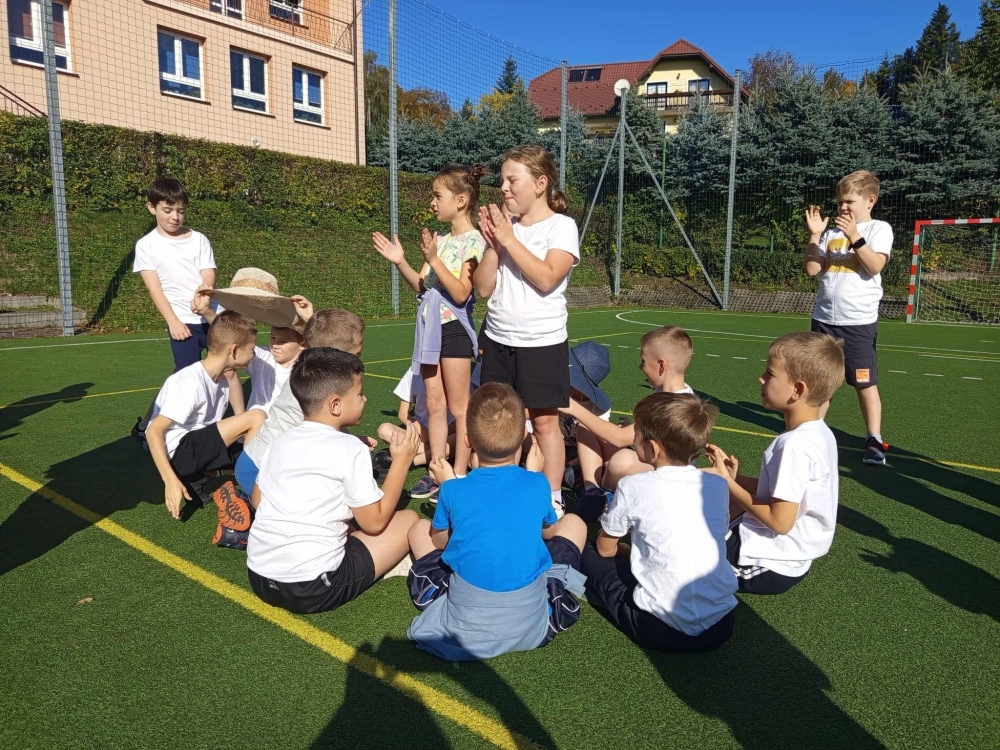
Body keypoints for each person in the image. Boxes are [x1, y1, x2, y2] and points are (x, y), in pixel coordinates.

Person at [405, 383, 588, 661]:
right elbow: (550, 532)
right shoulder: (537, 483)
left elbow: (440, 541)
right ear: (522, 439)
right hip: (531, 622)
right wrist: (532, 476)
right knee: (575, 523)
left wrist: (448, 485)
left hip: (466, 617)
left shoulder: (454, 490)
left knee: (420, 528)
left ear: (467, 440)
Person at [247, 348, 420, 614]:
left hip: (259, 578)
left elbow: (258, 500)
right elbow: (374, 523)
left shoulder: (280, 441)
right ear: (335, 405)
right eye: (360, 393)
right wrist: (402, 461)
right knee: (408, 520)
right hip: (314, 587)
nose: (365, 398)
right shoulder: (350, 448)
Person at [581, 392, 738, 652]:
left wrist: (627, 552)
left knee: (586, 549)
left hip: (656, 628)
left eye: (636, 434)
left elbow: (605, 549)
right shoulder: (718, 484)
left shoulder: (633, 485)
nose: (632, 439)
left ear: (653, 449)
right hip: (721, 626)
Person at [474, 145, 580, 515]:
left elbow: (547, 278)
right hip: (497, 340)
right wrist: (494, 246)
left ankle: (551, 496)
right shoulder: (507, 231)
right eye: (502, 180)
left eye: (512, 180)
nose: (503, 187)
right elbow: (483, 288)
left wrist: (508, 240)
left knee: (545, 424)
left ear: (540, 184)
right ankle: (498, 490)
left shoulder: (561, 226)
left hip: (541, 343)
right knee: (496, 421)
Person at [373, 164, 487, 500]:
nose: (432, 202)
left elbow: (462, 293)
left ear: (461, 200)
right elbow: (423, 287)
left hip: (454, 330)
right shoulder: (441, 240)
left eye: (438, 196)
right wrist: (400, 261)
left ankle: (459, 473)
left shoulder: (474, 241)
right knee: (435, 403)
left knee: (459, 407)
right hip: (429, 328)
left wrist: (435, 260)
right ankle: (437, 469)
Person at [705, 332, 844, 595]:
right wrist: (735, 479)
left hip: (769, 565)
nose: (761, 378)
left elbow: (780, 522)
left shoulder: (794, 445)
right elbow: (786, 494)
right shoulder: (819, 432)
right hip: (789, 555)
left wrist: (727, 483)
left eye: (769, 374)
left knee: (679, 551)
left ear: (798, 390)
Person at [131, 178, 243, 445]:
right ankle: (149, 426)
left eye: (180, 211)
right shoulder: (146, 245)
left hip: (211, 317)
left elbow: (208, 272)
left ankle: (243, 424)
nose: (175, 217)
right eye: (167, 210)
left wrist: (204, 291)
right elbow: (155, 288)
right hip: (182, 323)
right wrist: (173, 321)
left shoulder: (199, 239)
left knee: (229, 369)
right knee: (184, 378)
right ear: (151, 207)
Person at [804, 169, 893, 465]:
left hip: (857, 324)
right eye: (840, 202)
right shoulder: (830, 234)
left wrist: (854, 235)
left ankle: (874, 440)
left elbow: (874, 266)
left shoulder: (879, 229)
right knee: (821, 381)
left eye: (849, 202)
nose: (843, 207)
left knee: (864, 382)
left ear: (870, 200)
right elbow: (812, 269)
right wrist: (815, 235)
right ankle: (811, 435)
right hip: (823, 321)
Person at [560, 326, 695, 519]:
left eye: (643, 361)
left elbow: (620, 438)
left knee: (620, 461)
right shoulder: (667, 392)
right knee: (586, 429)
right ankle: (591, 488)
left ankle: (607, 498)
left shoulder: (675, 404)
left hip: (666, 474)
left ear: (661, 365)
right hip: (649, 459)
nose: (640, 367)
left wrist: (573, 407)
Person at [144, 311, 265, 521]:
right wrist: (170, 481)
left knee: (264, 448)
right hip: (179, 454)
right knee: (257, 417)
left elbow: (231, 379)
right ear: (234, 350)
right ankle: (249, 495)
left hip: (196, 449)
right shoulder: (190, 382)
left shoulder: (222, 378)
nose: (253, 354)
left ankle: (196, 478)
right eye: (252, 349)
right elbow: (153, 431)